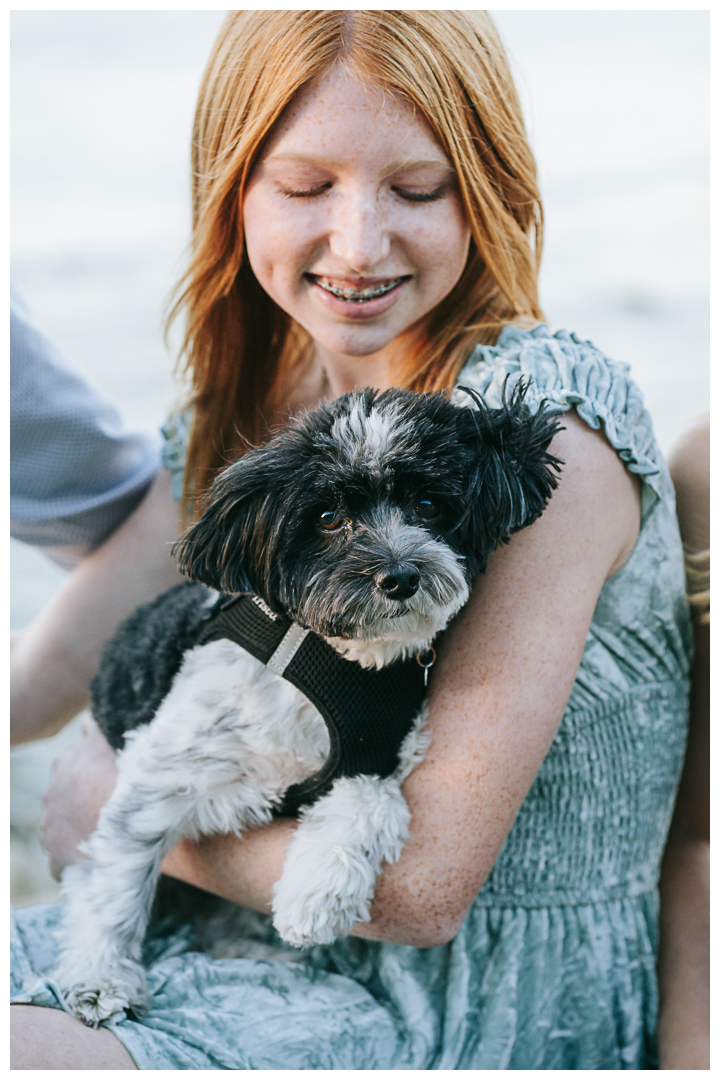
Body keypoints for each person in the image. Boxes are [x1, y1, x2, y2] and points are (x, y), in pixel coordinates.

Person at [10, 10, 694, 1069]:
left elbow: (422, 891)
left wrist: (126, 816)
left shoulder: (539, 421)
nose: (360, 242)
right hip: (235, 944)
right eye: (304, 186)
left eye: (418, 190)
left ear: (491, 190)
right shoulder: (250, 416)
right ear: (232, 188)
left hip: (463, 1005)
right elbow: (60, 660)